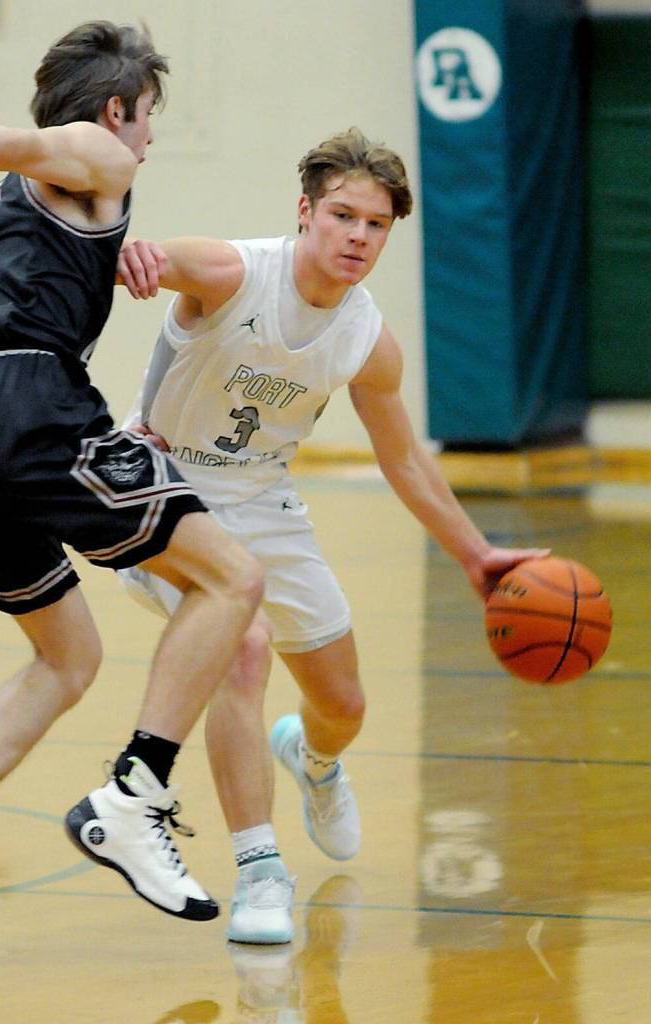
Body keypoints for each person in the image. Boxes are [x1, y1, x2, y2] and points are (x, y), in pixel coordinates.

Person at [0, 20, 264, 955]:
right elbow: (52, 143)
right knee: (233, 581)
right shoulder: (92, 151)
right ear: (117, 109)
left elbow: (43, 168)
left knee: (67, 656)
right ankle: (135, 795)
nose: (150, 139)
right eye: (148, 118)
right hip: (24, 405)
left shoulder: (16, 208)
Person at [115, 127, 549, 945]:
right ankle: (259, 872)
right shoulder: (230, 272)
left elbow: (406, 462)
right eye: (342, 216)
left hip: (264, 500)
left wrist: (476, 554)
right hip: (165, 490)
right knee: (240, 648)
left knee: (342, 704)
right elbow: (111, 258)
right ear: (305, 212)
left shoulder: (365, 340)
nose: (357, 236)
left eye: (376, 225)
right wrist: (129, 254)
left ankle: (314, 761)